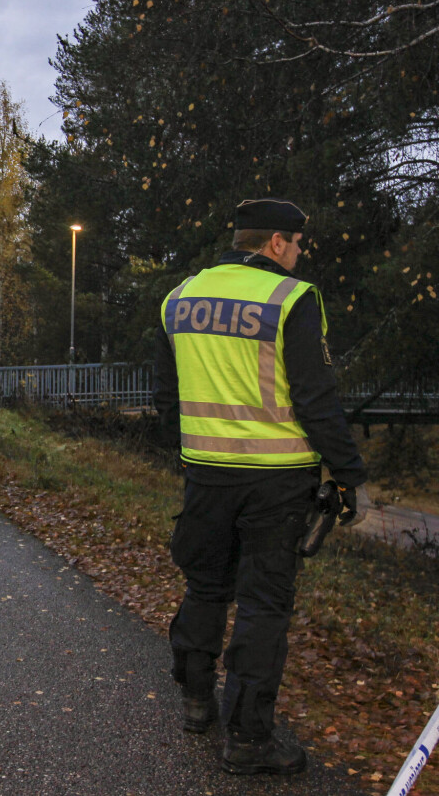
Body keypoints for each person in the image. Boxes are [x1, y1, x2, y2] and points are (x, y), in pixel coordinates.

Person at [153, 198, 368, 775]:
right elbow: (316, 398)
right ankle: (249, 740)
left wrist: (192, 454)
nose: (299, 255)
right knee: (263, 605)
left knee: (205, 587)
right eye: (297, 244)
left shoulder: (180, 297)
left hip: (205, 472)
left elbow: (166, 393)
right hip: (277, 481)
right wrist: (349, 476)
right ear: (276, 242)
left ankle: (197, 700)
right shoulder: (292, 299)